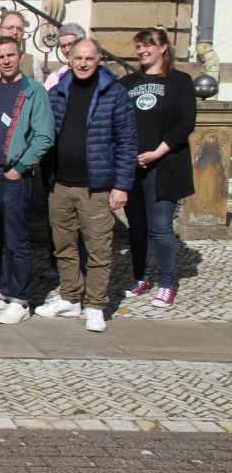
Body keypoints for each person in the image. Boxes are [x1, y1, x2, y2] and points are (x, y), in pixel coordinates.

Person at [36, 38, 136, 333]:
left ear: (99, 59)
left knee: (98, 249)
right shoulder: (59, 91)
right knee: (64, 246)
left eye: (88, 58)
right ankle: (70, 296)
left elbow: (127, 141)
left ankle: (95, 304)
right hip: (60, 183)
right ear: (69, 59)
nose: (82, 63)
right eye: (77, 58)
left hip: (97, 186)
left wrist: (122, 185)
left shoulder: (113, 93)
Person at [0, 36, 54, 324]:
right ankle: (4, 292)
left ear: (20, 56)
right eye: (0, 57)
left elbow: (44, 136)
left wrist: (20, 167)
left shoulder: (34, 91)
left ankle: (21, 299)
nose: (6, 60)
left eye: (10, 55)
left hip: (13, 172)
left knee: (16, 238)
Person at [121, 26, 197, 309]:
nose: (142, 50)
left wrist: (157, 152)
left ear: (163, 47)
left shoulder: (180, 81)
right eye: (138, 46)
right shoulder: (127, 83)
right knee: (137, 226)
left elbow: (185, 123)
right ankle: (140, 275)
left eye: (147, 45)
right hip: (132, 166)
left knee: (161, 226)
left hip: (164, 165)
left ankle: (166, 282)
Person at [43, 23, 88, 90]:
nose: (67, 50)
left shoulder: (97, 74)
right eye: (63, 46)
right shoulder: (54, 78)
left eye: (70, 44)